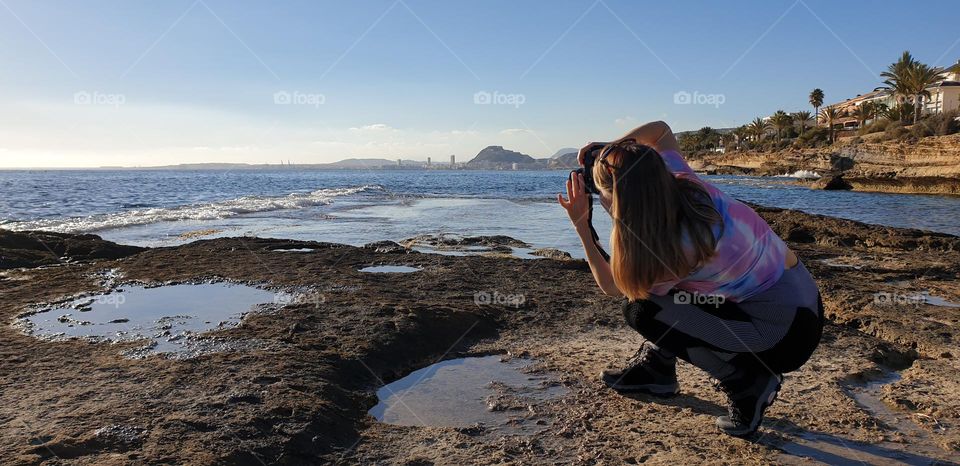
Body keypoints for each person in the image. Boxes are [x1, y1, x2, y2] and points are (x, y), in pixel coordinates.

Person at [557, 120, 823, 437]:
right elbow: (660, 131)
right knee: (673, 293)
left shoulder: (669, 248)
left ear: (620, 199)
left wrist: (582, 228)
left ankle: (745, 382)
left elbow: (614, 286)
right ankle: (658, 368)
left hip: (784, 335)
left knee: (642, 308)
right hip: (802, 300)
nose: (598, 198)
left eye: (601, 192)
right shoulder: (682, 182)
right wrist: (612, 150)